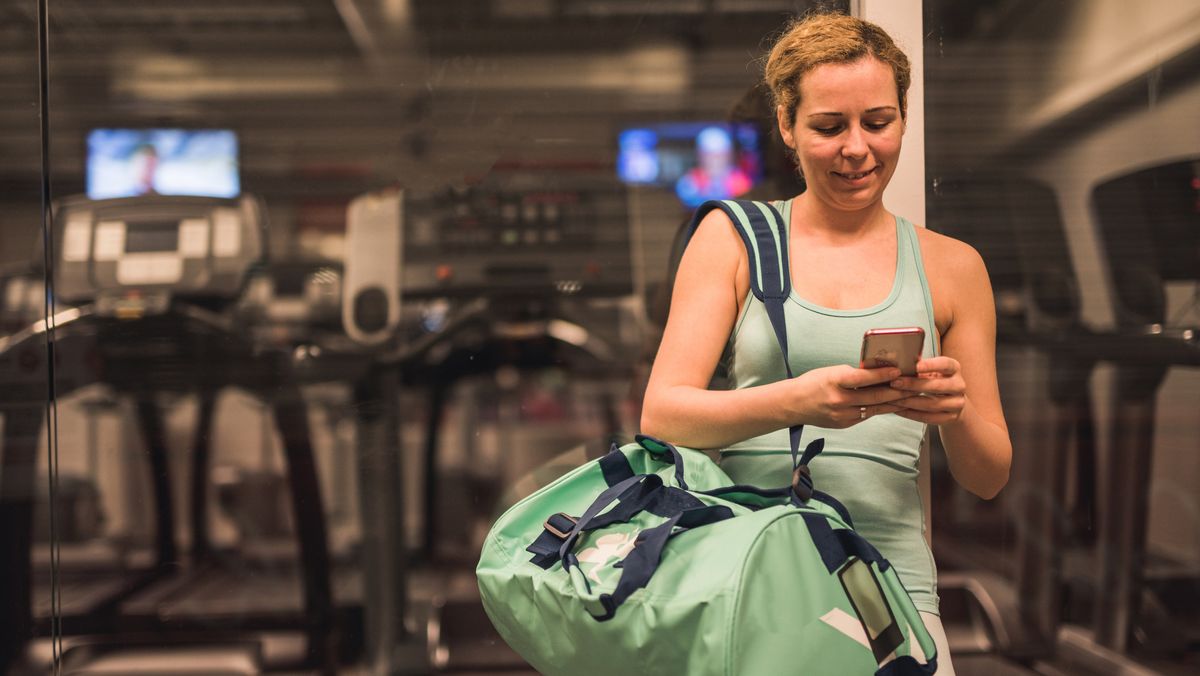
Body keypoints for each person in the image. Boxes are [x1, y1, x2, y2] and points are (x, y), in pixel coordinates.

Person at [640, 12, 1013, 673]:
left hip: (894, 594)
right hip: (749, 586)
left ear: (903, 117)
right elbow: (664, 416)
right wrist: (801, 400)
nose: (856, 148)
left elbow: (988, 477)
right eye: (828, 126)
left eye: (878, 121)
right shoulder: (734, 240)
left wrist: (953, 413)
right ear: (787, 125)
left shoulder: (955, 267)